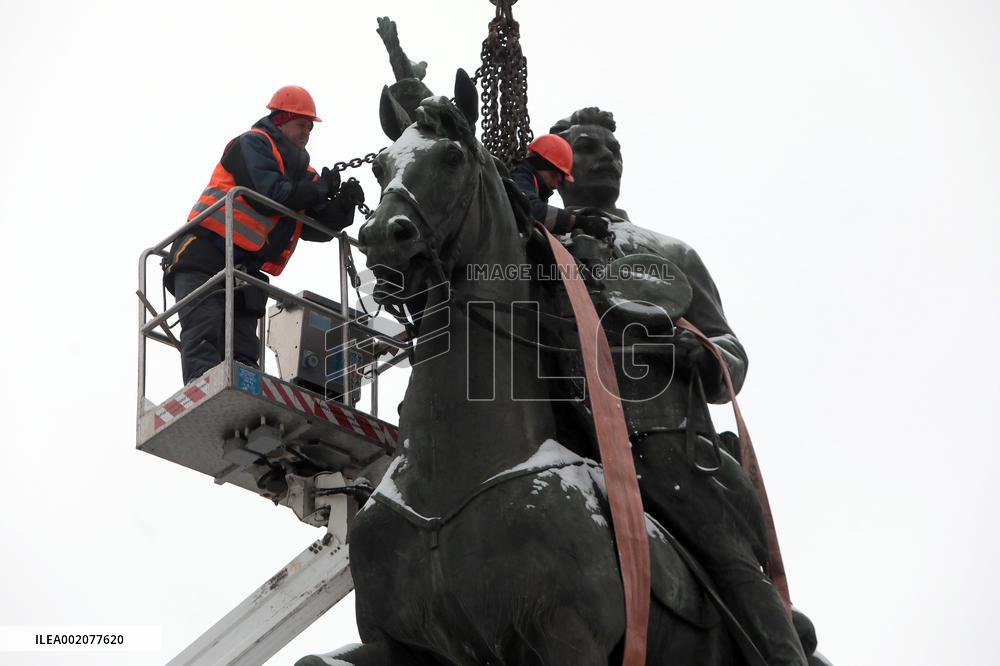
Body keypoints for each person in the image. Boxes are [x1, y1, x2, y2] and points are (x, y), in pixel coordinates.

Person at [550, 107, 808, 665]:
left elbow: (730, 352)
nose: (607, 158)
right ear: (559, 161)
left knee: (730, 559)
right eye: (590, 148)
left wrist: (705, 353)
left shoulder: (670, 253)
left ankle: (783, 654)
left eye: (613, 150)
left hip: (660, 437)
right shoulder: (535, 237)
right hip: (556, 429)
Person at [163, 85, 365, 384]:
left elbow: (314, 226)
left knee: (244, 346)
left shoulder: (302, 174)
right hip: (203, 254)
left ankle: (244, 387)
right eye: (302, 125)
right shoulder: (251, 145)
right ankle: (202, 388)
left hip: (245, 268)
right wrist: (319, 189)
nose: (307, 132)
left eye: (310, 128)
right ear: (281, 120)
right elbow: (268, 194)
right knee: (206, 330)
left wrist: (343, 206)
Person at [509, 134, 610, 237]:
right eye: (553, 176)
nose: (554, 185)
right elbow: (530, 210)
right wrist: (578, 222)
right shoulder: (519, 176)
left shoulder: (533, 186)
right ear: (538, 166)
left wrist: (575, 216)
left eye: (559, 182)